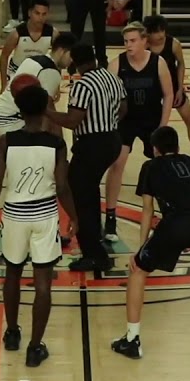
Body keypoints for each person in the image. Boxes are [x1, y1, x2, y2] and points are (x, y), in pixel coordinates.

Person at [110, 125, 190, 359]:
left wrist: (140, 249)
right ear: (178, 146)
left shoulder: (150, 166)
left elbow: (147, 210)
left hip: (176, 223)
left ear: (155, 149)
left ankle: (132, 339)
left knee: (138, 271)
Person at [0, 83, 78, 368]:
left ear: (20, 111)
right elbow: (62, 187)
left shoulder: (6, 141)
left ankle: (12, 333)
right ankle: (35, 348)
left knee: (12, 273)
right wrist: (74, 216)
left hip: (14, 214)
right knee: (43, 284)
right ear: (45, 110)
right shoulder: (57, 144)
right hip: (44, 215)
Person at [44, 44, 126, 273]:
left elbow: (73, 121)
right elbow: (123, 108)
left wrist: (47, 111)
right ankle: (96, 240)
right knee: (89, 192)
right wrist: (107, 122)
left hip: (92, 145)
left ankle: (94, 254)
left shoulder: (82, 85)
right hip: (112, 139)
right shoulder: (111, 78)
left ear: (74, 62)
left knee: (79, 197)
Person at [104, 22, 173, 244]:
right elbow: (107, 97)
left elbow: (168, 95)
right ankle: (111, 218)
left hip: (152, 121)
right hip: (126, 122)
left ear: (144, 41)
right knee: (117, 164)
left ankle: (170, 215)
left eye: (133, 40)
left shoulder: (158, 63)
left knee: (162, 167)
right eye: (126, 41)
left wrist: (162, 126)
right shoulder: (117, 64)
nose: (129, 45)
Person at [0, 32, 76, 177]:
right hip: (11, 122)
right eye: (71, 56)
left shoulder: (33, 60)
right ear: (61, 51)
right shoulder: (50, 71)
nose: (72, 61)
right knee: (38, 164)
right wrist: (57, 147)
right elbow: (48, 113)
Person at [143, 14, 190, 176]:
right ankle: (159, 160)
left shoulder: (173, 44)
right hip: (154, 90)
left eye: (162, 30)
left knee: (189, 120)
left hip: (173, 88)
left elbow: (181, 64)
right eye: (156, 31)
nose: (161, 35)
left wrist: (180, 87)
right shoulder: (143, 46)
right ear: (148, 33)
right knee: (156, 127)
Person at [0, 0, 59, 86]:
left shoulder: (53, 33)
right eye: (37, 13)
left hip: (40, 71)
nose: (40, 17)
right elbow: (4, 56)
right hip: (16, 71)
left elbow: (58, 59)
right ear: (29, 13)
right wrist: (3, 84)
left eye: (44, 14)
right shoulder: (16, 34)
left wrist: (56, 84)